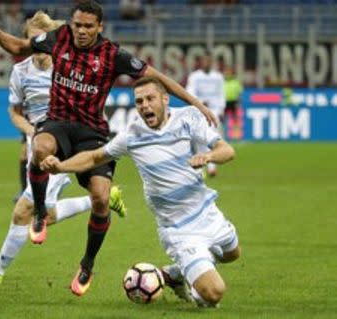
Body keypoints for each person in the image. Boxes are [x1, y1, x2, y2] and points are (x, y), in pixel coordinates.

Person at [0, 0, 216, 297]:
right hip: (58, 122)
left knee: (101, 197)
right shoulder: (58, 37)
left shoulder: (112, 54)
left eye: (89, 26)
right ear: (71, 24)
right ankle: (39, 213)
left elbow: (157, 77)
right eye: (78, 25)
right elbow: (18, 47)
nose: (82, 31)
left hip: (92, 132)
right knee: (39, 149)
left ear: (99, 27)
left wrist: (197, 104)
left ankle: (87, 263)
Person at [41, 76, 241, 308]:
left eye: (150, 98)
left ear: (165, 99)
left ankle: (171, 274)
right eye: (139, 101)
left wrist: (208, 156)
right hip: (178, 228)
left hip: (207, 210)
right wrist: (61, 166)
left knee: (232, 254)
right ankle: (195, 288)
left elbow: (227, 150)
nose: (144, 105)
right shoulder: (131, 136)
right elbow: (95, 157)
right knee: (213, 293)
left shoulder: (188, 117)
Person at [0, 11, 126, 287]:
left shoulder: (67, 62)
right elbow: (15, 112)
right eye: (33, 40)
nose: (40, 48)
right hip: (40, 136)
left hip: (62, 139)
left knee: (23, 211)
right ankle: (101, 200)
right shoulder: (20, 71)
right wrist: (29, 131)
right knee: (40, 212)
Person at [185, 50, 225, 177]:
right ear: (201, 62)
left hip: (214, 112)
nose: (206, 63)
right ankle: (200, 168)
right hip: (199, 111)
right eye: (204, 60)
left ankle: (212, 167)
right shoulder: (194, 77)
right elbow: (189, 93)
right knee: (198, 140)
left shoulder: (218, 77)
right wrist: (201, 103)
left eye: (209, 61)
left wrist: (221, 109)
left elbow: (221, 94)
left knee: (213, 138)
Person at [223, 65, 243, 140]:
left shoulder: (236, 82)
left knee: (235, 120)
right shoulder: (223, 82)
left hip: (234, 102)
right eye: (227, 72)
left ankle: (236, 136)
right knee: (223, 120)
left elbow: (239, 93)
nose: (228, 73)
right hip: (224, 102)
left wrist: (238, 102)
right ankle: (222, 135)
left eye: (229, 72)